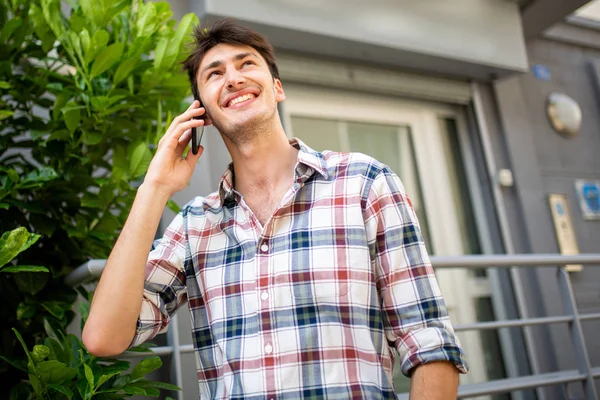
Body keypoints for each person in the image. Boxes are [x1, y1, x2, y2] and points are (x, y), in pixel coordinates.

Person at [83, 18, 468, 399]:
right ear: (203, 115)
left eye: (246, 63)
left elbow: (429, 340)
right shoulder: (194, 225)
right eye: (214, 74)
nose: (233, 78)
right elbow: (104, 337)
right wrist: (154, 187)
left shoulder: (365, 182)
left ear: (277, 88)